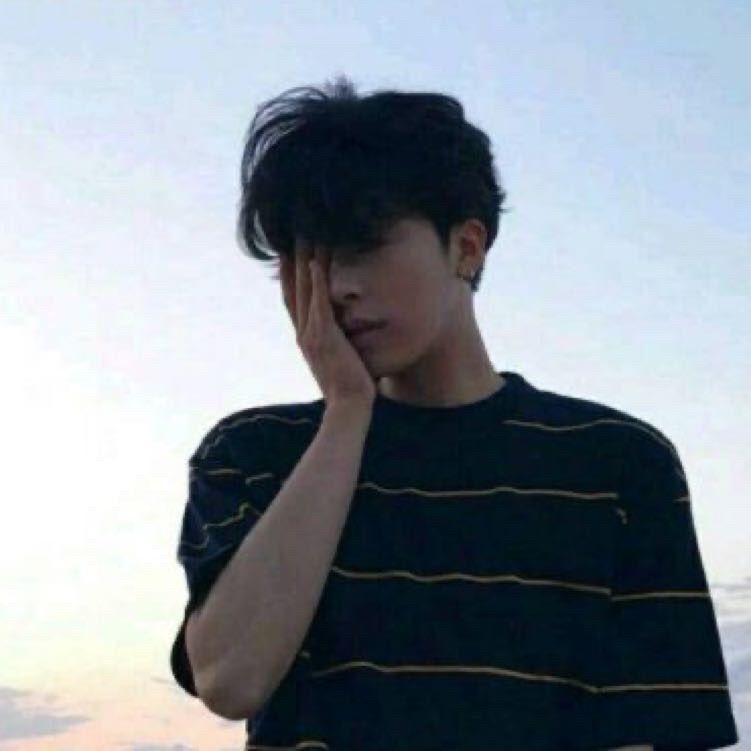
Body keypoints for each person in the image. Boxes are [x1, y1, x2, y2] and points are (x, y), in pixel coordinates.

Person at [169, 75, 739, 750]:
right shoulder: (254, 453)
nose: (338, 288)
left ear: (466, 246)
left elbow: (652, 730)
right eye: (307, 261)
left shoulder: (615, 462)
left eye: (361, 247)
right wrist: (347, 413)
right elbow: (231, 680)